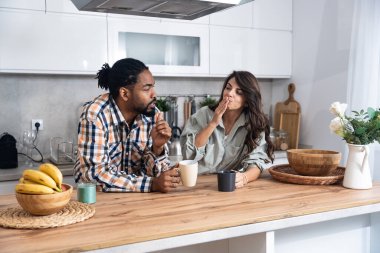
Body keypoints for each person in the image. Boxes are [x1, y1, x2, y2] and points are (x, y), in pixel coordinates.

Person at [73, 58, 180, 193]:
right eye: (147, 89)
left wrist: (157, 149)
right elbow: (95, 175)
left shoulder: (153, 114)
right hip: (98, 201)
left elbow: (157, 175)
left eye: (153, 87)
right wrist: (151, 184)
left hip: (138, 200)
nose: (154, 94)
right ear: (124, 93)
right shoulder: (95, 115)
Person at [180, 71, 274, 188]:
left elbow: (256, 163)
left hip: (224, 186)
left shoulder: (254, 125)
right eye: (228, 88)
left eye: (238, 92)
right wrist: (213, 123)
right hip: (195, 185)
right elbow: (189, 155)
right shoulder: (203, 115)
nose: (229, 93)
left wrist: (244, 177)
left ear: (247, 101)